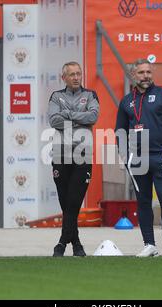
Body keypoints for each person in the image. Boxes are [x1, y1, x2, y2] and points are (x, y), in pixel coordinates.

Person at [115, 58, 162, 257]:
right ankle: (149, 244)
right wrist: (124, 156)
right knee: (143, 201)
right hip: (136, 160)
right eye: (141, 72)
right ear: (133, 75)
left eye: (148, 72)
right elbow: (119, 130)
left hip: (160, 157)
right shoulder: (126, 101)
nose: (146, 76)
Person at [47, 61, 100, 257]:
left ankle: (61, 243)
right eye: (72, 74)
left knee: (74, 200)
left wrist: (67, 114)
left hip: (82, 155)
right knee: (65, 201)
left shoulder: (90, 95)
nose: (76, 77)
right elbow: (54, 121)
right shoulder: (56, 96)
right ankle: (76, 243)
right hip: (60, 154)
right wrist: (80, 116)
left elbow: (93, 118)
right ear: (64, 78)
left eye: (78, 74)